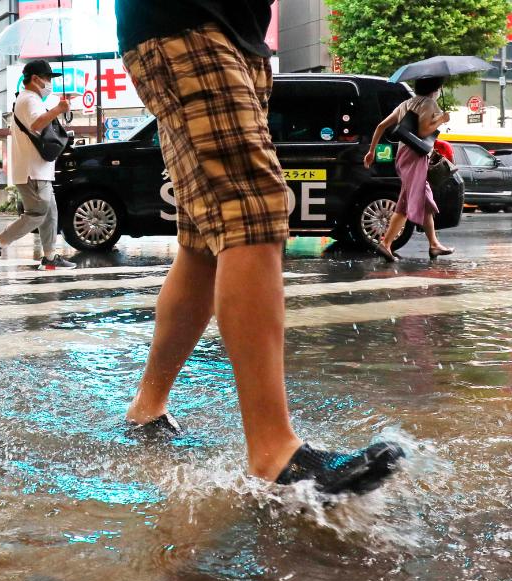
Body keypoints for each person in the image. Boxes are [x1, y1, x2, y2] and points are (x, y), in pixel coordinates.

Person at [117, 0, 404, 494]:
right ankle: (273, 452)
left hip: (234, 32)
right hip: (188, 21)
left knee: (205, 240)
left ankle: (148, 406)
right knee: (253, 205)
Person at [0, 60, 76, 273]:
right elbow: (37, 123)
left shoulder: (30, 99)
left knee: (50, 213)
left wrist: (60, 111)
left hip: (39, 169)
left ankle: (50, 258)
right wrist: (59, 108)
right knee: (37, 213)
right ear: (35, 79)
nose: (49, 83)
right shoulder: (29, 99)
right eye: (48, 78)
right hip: (32, 171)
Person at [365, 76, 454, 262]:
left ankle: (433, 244)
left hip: (403, 155)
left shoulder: (406, 103)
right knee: (411, 199)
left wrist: (371, 151)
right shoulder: (429, 104)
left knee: (422, 200)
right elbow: (422, 132)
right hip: (416, 157)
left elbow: (382, 126)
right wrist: (441, 120)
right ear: (435, 89)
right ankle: (387, 243)